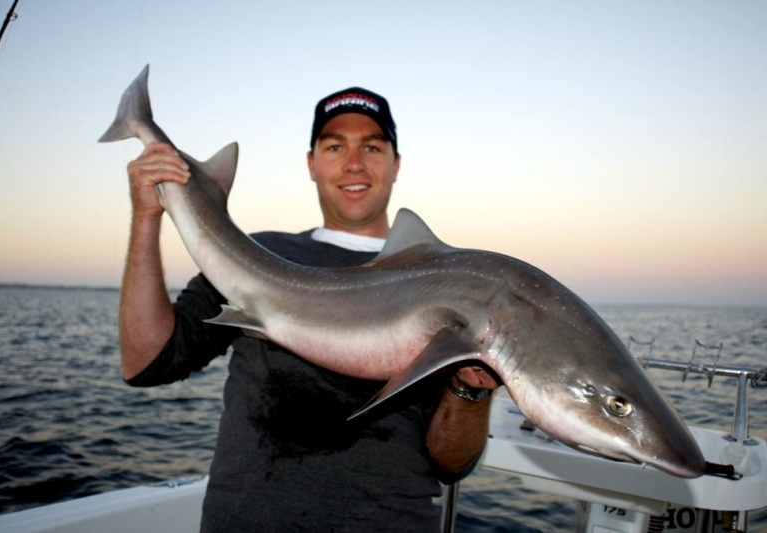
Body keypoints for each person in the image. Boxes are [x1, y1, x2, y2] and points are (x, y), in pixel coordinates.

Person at [119, 86, 500, 532]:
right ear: (311, 163)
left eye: (372, 146)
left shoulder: (440, 285)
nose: (354, 163)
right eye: (335, 146)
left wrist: (471, 391)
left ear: (396, 164)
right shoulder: (257, 256)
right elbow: (146, 361)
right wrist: (147, 217)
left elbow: (451, 463)